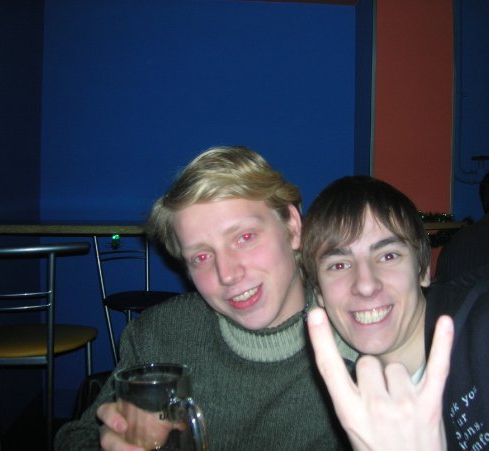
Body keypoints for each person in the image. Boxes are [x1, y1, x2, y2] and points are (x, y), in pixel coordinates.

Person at [55, 146, 354, 450]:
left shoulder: (358, 334)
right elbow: (76, 438)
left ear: (292, 226)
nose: (227, 274)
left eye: (244, 237)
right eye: (201, 256)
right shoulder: (161, 335)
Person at [302, 175, 489, 450]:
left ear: (423, 269)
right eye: (338, 265)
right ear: (319, 294)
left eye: (388, 256)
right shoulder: (353, 414)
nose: (365, 285)